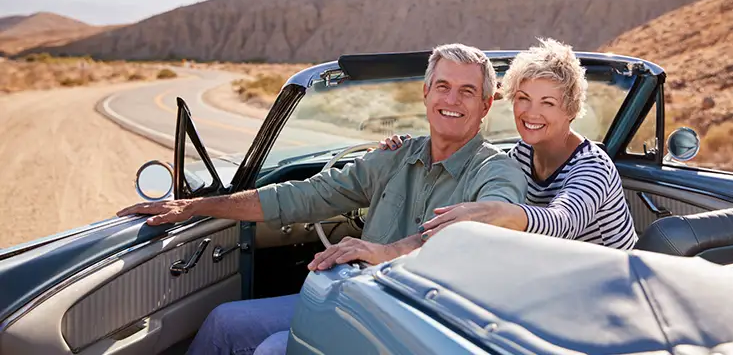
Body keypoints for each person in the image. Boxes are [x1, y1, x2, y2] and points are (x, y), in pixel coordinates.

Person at [116, 43, 527, 355]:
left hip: (419, 323)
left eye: (467, 92)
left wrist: (385, 251)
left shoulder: (496, 171)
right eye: (443, 87)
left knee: (274, 349)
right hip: (348, 294)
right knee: (224, 321)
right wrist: (197, 206)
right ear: (425, 94)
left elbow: (481, 231)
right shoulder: (395, 157)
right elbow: (308, 194)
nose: (451, 101)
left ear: (486, 104)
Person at [378, 38, 638, 250]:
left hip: (612, 284)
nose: (531, 113)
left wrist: (497, 212)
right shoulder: (521, 154)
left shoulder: (593, 167)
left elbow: (563, 221)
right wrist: (405, 150)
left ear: (570, 109)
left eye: (547, 103)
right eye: (524, 98)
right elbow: (475, 167)